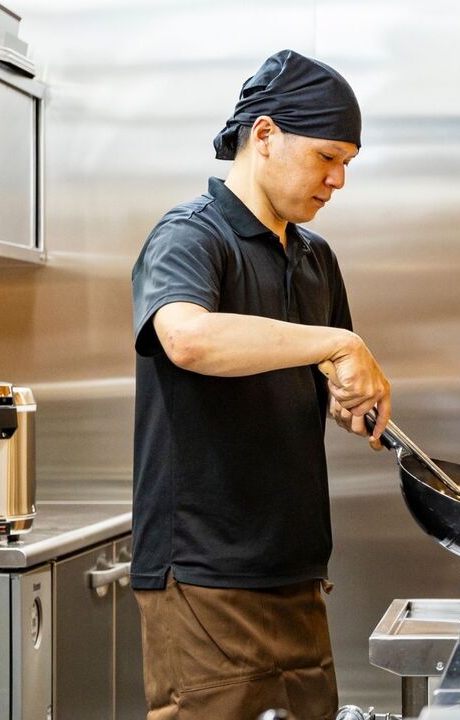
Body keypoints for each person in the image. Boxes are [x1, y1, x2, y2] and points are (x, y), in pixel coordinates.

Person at [129, 49, 391, 720]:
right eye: (328, 157)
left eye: (348, 165)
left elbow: (321, 376)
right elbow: (187, 337)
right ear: (266, 135)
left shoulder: (313, 257)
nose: (338, 180)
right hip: (205, 580)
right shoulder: (190, 236)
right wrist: (341, 343)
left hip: (297, 577)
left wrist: (350, 398)